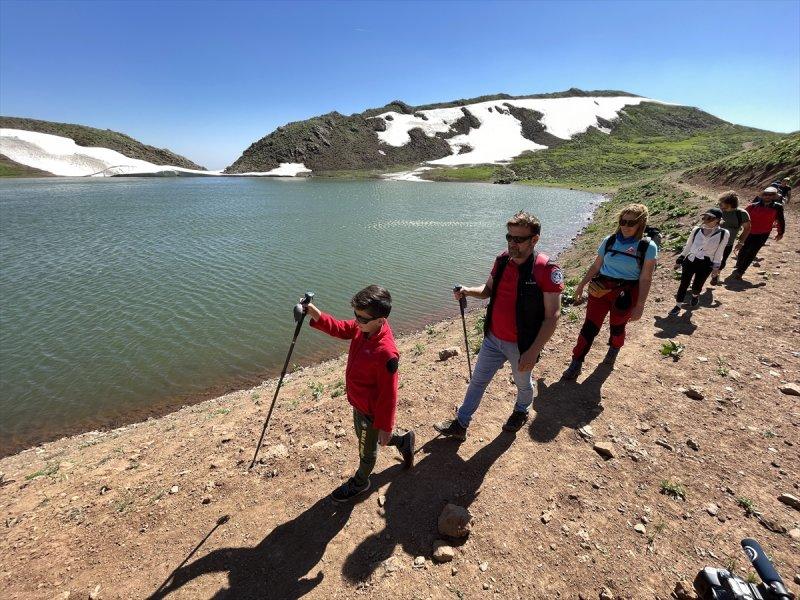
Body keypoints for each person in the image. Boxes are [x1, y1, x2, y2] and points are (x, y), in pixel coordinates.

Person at [433, 211, 564, 441]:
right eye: (509, 237)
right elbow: (488, 291)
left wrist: (533, 351)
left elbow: (552, 316)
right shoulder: (503, 260)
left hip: (521, 345)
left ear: (534, 240)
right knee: (478, 381)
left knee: (523, 383)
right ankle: (461, 423)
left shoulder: (546, 269)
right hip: (493, 338)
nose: (512, 243)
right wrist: (466, 290)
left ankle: (521, 410)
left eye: (519, 239)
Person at [304, 285, 414, 502]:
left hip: (371, 411)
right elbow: (340, 328)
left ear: (381, 320)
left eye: (362, 318)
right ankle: (403, 441)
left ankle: (361, 481)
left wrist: (385, 426)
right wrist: (315, 313)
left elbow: (389, 394)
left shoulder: (386, 353)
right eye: (356, 315)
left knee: (367, 451)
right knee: (365, 439)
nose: (357, 321)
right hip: (359, 403)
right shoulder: (364, 327)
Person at [562, 203, 657, 380]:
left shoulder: (648, 247)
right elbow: (597, 265)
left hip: (627, 293)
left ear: (641, 223)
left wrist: (640, 305)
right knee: (589, 327)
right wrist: (581, 284)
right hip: (601, 289)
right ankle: (576, 363)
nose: (626, 226)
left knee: (617, 327)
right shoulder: (610, 240)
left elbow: (645, 278)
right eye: (623, 221)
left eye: (631, 222)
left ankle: (614, 348)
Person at [668, 208, 730, 316]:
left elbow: (720, 251)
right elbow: (688, 246)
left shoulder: (723, 233)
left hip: (706, 264)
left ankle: (695, 296)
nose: (705, 219)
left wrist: (716, 268)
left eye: (709, 217)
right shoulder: (696, 230)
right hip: (690, 260)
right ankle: (677, 306)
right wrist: (680, 259)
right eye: (704, 217)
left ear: (717, 220)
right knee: (684, 284)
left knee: (697, 286)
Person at [729, 186, 785, 280]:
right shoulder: (753, 206)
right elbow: (741, 217)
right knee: (743, 249)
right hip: (749, 232)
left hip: (763, 233)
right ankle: (739, 265)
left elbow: (780, 220)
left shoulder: (778, 207)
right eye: (766, 194)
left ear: (774, 196)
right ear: (762, 196)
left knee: (752, 252)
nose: (767, 196)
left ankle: (740, 272)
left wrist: (780, 232)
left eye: (770, 195)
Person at [713, 191, 751, 284]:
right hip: (713, 241)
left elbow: (747, 228)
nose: (721, 206)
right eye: (720, 204)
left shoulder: (741, 214)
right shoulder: (719, 211)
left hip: (728, 243)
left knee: (722, 260)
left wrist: (741, 242)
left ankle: (716, 275)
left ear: (731, 204)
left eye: (723, 204)